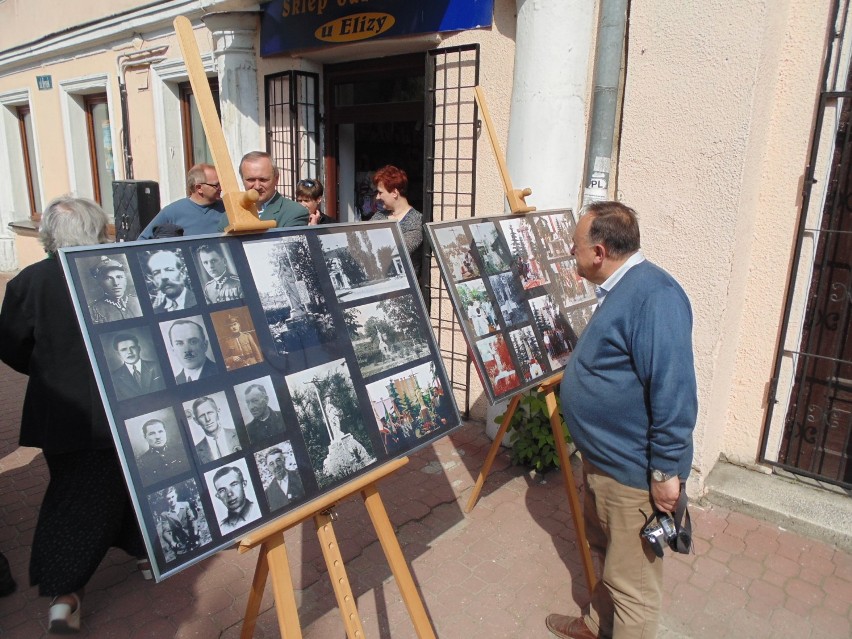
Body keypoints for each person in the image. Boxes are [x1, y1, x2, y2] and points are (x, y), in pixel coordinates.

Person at [547, 202, 697, 639]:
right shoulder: (622, 287)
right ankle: (597, 624)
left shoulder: (656, 297)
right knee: (605, 552)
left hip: (631, 476)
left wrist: (666, 470)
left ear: (598, 251)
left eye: (574, 247)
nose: (568, 254)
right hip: (603, 463)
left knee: (634, 588)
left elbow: (675, 391)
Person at [0, 196, 148, 633]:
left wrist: (46, 368)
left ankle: (90, 581)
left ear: (49, 235)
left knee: (96, 486)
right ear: (98, 230)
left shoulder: (30, 281)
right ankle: (68, 590)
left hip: (63, 409)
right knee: (97, 489)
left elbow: (10, 345)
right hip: (121, 403)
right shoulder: (117, 273)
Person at [217, 151, 309, 230]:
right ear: (242, 180)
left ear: (276, 179)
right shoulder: (231, 215)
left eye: (263, 180)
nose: (257, 186)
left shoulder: (294, 212)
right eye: (251, 180)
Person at [139, 164, 225, 239]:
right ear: (199, 188)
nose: (221, 188)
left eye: (221, 184)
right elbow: (143, 242)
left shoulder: (227, 208)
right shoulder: (172, 212)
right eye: (216, 185)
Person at [371, 165, 423, 276]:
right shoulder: (379, 216)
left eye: (380, 192)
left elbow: (399, 250)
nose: (377, 197)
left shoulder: (416, 220)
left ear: (394, 192)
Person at [110, 333, 166, 401]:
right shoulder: (114, 377)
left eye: (132, 347)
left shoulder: (157, 366)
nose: (129, 352)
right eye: (124, 349)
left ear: (139, 349)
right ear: (118, 354)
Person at [87, 256, 142, 323]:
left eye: (119, 277)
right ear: (100, 283)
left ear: (125, 280)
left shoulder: (138, 301)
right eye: (108, 278)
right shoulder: (93, 310)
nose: (116, 283)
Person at [136, 419, 190, 485]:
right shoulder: (141, 462)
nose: (158, 437)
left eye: (160, 431)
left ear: (165, 432)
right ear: (145, 437)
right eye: (152, 434)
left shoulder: (181, 451)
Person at [191, 396, 242, 464]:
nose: (207, 419)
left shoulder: (239, 433)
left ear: (218, 412)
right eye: (202, 416)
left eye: (210, 413)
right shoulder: (196, 451)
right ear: (196, 421)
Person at [213, 466, 260, 533]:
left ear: (244, 484)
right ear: (218, 496)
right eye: (222, 490)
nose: (229, 494)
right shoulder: (222, 529)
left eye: (233, 484)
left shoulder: (259, 510)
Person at [263, 444, 305, 510]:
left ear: (284, 460)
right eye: (271, 464)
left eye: (278, 460)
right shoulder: (268, 493)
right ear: (268, 468)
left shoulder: (300, 476)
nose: (276, 466)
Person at [159, 487, 198, 555]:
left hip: (192, 536)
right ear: (166, 500)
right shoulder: (164, 514)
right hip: (179, 543)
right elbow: (165, 532)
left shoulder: (185, 505)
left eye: (173, 497)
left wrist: (195, 532)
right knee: (183, 559)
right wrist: (172, 542)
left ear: (176, 495)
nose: (171, 500)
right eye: (168, 498)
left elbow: (192, 519)